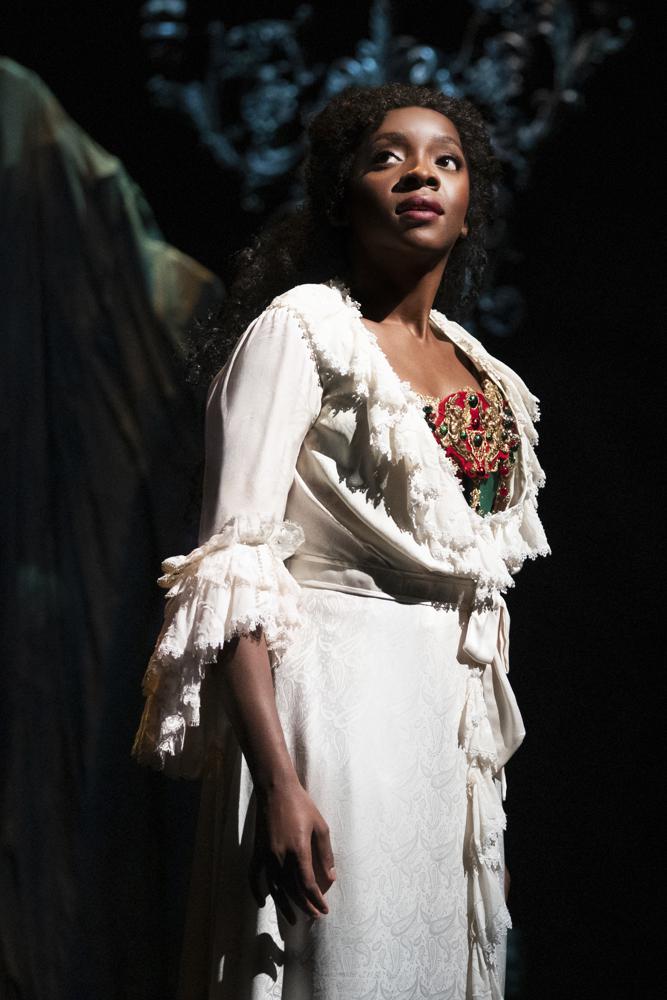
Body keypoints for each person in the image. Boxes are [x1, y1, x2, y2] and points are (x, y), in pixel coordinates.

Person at [131, 82, 550, 1000]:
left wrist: (476, 823)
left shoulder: (485, 370)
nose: (419, 176)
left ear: (471, 199)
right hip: (330, 709)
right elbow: (235, 569)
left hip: (445, 729)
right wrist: (277, 780)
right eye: (387, 156)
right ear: (339, 193)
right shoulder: (301, 332)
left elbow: (479, 590)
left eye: (447, 160)